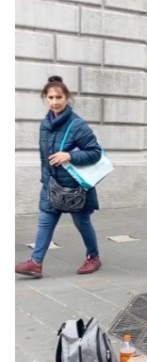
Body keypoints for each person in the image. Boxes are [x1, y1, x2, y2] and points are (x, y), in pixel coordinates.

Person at [16, 76, 105, 279]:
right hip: (51, 185)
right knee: (45, 222)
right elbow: (43, 158)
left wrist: (70, 155)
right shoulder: (45, 125)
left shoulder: (77, 125)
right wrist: (45, 181)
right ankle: (35, 263)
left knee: (82, 223)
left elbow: (95, 152)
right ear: (46, 98)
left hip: (75, 189)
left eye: (59, 97)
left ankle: (94, 257)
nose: (55, 101)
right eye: (50, 97)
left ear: (67, 98)